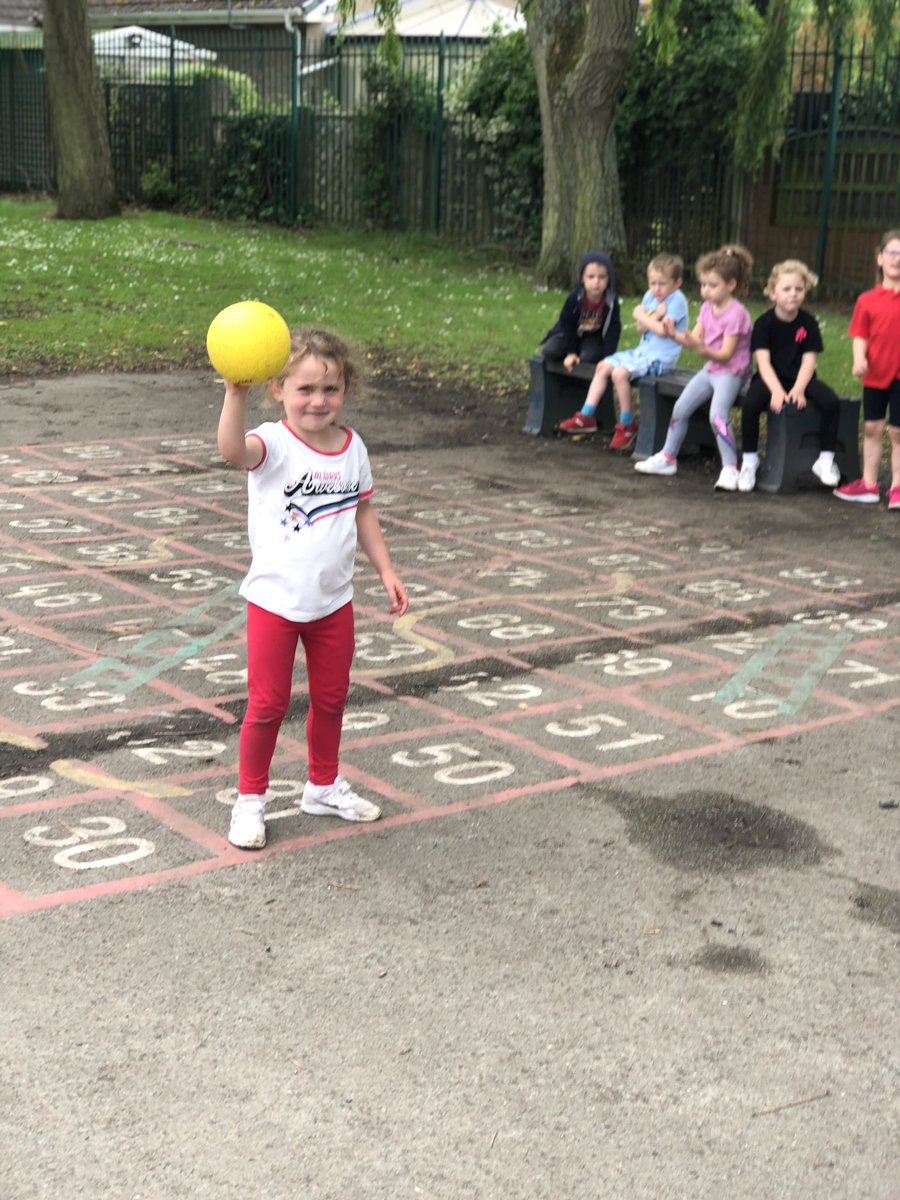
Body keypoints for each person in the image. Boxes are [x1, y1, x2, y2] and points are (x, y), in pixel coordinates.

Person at [217, 326, 409, 850]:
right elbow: (234, 451)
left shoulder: (352, 448)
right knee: (268, 704)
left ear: (347, 392)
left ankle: (322, 786)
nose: (318, 401)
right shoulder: (273, 443)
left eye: (330, 389)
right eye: (304, 389)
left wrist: (386, 570)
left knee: (330, 699)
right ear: (278, 389)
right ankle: (250, 800)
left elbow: (362, 509)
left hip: (333, 603)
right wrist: (234, 394)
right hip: (275, 603)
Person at [635, 245, 753, 490]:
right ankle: (668, 458)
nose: (705, 291)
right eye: (703, 285)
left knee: (717, 417)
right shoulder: (707, 308)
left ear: (731, 285)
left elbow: (725, 354)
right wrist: (674, 334)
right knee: (680, 408)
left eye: (712, 285)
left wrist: (700, 349)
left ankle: (730, 468)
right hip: (712, 369)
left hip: (732, 373)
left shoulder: (737, 314)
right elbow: (694, 339)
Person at [559, 252, 688, 450]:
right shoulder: (650, 297)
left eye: (662, 284)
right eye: (652, 283)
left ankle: (627, 424)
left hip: (660, 358)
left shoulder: (677, 301)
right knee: (603, 366)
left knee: (619, 374)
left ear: (677, 282)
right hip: (642, 352)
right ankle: (586, 416)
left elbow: (664, 331)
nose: (656, 289)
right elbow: (640, 328)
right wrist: (652, 318)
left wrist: (642, 316)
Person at [736, 259, 841, 493]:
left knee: (831, 402)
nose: (793, 294)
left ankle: (825, 460)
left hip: (800, 379)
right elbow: (762, 362)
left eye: (799, 289)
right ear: (773, 293)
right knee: (751, 404)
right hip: (770, 377)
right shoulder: (764, 323)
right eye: (786, 289)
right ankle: (750, 461)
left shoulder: (809, 323)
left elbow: (809, 361)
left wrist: (800, 389)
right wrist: (775, 390)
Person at [834, 228, 900, 509]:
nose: (897, 258)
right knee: (872, 428)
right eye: (892, 252)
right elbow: (860, 335)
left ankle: (897, 488)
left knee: (898, 432)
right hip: (875, 374)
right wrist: (859, 358)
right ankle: (869, 484)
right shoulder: (867, 300)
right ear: (880, 258)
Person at [540, 250, 621, 371]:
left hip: (592, 336)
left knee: (589, 357)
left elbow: (613, 329)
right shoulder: (575, 297)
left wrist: (609, 357)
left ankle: (582, 355)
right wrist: (571, 352)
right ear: (583, 278)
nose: (596, 282)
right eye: (591, 277)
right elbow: (567, 324)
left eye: (602, 277)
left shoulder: (611, 301)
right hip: (568, 334)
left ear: (609, 279)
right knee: (550, 350)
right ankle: (572, 355)